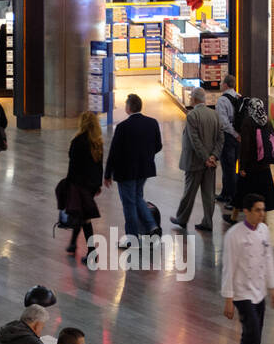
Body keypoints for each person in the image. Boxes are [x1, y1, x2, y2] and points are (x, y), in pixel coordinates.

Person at [222, 194, 274, 344]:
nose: (261, 214)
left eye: (263, 210)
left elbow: (268, 258)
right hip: (241, 292)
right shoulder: (234, 235)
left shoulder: (264, 230)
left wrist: (272, 288)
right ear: (246, 211)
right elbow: (228, 267)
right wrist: (228, 299)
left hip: (259, 291)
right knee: (252, 332)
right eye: (257, 210)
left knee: (256, 336)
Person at [104, 94, 164, 243]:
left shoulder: (123, 127)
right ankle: (151, 226)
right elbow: (158, 146)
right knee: (137, 198)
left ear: (128, 107)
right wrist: (145, 156)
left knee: (129, 204)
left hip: (126, 172)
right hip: (144, 170)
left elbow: (114, 152)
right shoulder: (152, 123)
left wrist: (107, 174)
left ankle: (132, 238)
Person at [171, 86, 221, 232]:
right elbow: (220, 138)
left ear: (194, 99)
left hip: (195, 163)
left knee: (189, 193)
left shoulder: (192, 116)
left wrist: (205, 157)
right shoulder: (214, 114)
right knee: (208, 194)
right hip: (210, 164)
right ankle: (207, 221)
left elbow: (194, 140)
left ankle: (182, 218)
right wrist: (213, 156)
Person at [63, 111, 104, 264]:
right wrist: (98, 184)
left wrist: (68, 184)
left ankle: (92, 252)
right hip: (92, 185)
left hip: (79, 184)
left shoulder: (78, 141)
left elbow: (72, 166)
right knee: (81, 214)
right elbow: (99, 165)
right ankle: (73, 244)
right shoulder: (97, 142)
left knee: (84, 218)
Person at [234, 98, 274, 219]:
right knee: (263, 194)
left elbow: (245, 146)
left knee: (241, 193)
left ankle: (234, 217)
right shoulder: (267, 121)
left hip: (250, 165)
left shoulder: (248, 122)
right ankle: (263, 221)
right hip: (264, 165)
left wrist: (242, 166)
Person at [215, 74, 243, 208]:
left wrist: (233, 133)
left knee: (228, 168)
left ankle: (231, 197)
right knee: (231, 166)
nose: (220, 85)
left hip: (227, 137)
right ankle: (225, 193)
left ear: (226, 84)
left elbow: (223, 122)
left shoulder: (222, 100)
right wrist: (238, 134)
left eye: (222, 83)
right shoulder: (239, 97)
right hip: (238, 137)